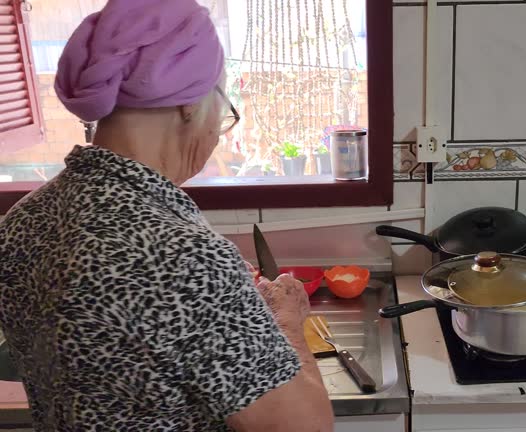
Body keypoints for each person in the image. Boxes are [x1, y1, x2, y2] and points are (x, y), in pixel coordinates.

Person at [0, 0, 334, 430]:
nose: (219, 124)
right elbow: (304, 427)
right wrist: (287, 322)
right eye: (221, 100)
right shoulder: (183, 257)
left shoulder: (23, 220)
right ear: (190, 104)